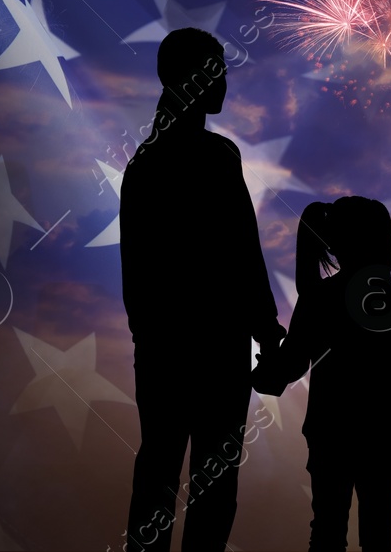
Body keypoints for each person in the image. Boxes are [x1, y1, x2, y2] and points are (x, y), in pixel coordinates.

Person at [119, 27, 285, 552]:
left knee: (159, 467)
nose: (225, 81)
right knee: (213, 478)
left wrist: (151, 336)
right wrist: (265, 326)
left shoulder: (143, 164)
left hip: (164, 346)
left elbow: (137, 275)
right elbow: (240, 248)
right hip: (215, 345)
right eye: (216, 69)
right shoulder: (215, 156)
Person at [253, 196, 391, 552]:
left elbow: (287, 370)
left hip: (330, 434)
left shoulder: (319, 298)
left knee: (326, 533)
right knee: (380, 537)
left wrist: (263, 366)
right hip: (385, 436)